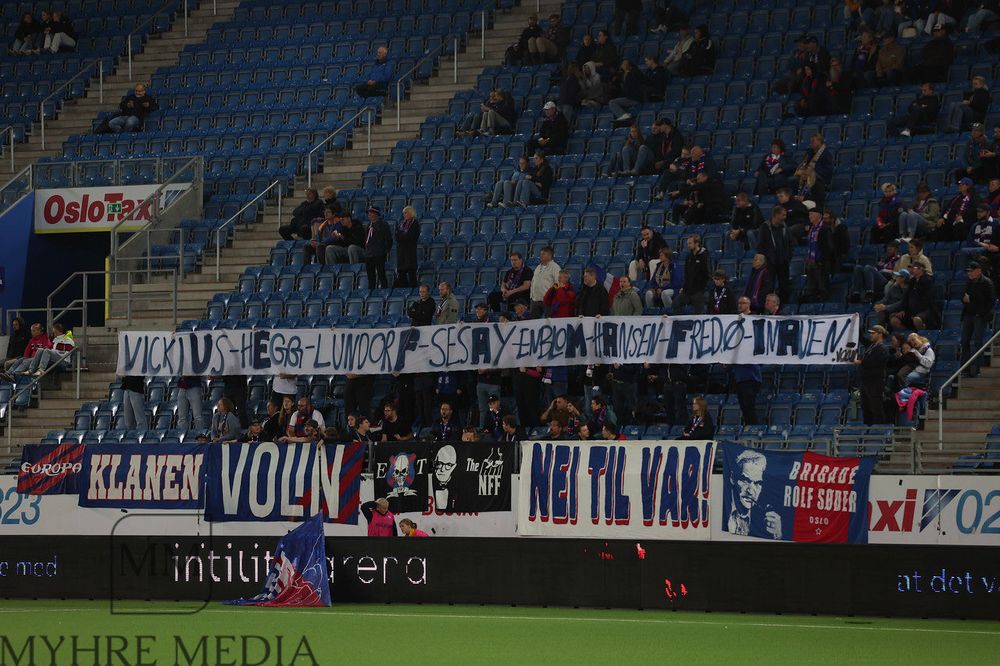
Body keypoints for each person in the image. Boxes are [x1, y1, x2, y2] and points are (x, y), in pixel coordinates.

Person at [726, 449, 781, 539]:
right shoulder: (722, 508)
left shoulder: (765, 518)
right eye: (745, 480)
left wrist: (778, 535)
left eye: (757, 483)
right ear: (732, 478)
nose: (750, 491)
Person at [960, 261, 996, 377]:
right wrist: (964, 300)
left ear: (978, 271)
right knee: (964, 341)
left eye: (971, 271)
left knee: (977, 342)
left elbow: (991, 302)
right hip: (968, 314)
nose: (969, 273)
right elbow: (964, 296)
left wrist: (979, 312)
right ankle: (965, 369)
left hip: (979, 316)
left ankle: (977, 369)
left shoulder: (987, 283)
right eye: (968, 271)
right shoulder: (969, 282)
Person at [855, 325, 890, 425]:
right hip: (866, 381)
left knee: (876, 407)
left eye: (873, 333)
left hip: (875, 382)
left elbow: (874, 362)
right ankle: (868, 429)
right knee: (865, 406)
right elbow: (862, 338)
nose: (870, 335)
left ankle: (879, 430)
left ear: (880, 334)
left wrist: (860, 362)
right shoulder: (872, 345)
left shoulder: (883, 348)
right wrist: (857, 323)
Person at [757, 207, 793, 302]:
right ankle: (767, 309)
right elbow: (760, 246)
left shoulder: (785, 227)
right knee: (768, 288)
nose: (785, 217)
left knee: (784, 287)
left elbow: (790, 243)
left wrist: (788, 257)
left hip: (783, 263)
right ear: (776, 215)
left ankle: (783, 308)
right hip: (770, 264)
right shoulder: (764, 227)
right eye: (783, 215)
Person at [891, 261, 938, 331]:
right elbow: (906, 298)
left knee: (917, 320)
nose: (912, 270)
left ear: (921, 269)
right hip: (912, 312)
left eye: (914, 268)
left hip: (926, 311)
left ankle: (921, 337)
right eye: (911, 268)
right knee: (894, 319)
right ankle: (908, 335)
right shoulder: (912, 281)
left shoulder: (927, 281)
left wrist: (916, 313)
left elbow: (928, 301)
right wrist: (903, 310)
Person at [673, 235, 710, 314]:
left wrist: (702, 289)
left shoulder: (704, 256)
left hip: (699, 290)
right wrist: (684, 287)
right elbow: (686, 274)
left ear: (696, 243)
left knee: (699, 310)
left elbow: (707, 274)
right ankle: (682, 322)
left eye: (690, 243)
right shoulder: (688, 257)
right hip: (688, 290)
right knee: (675, 304)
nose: (688, 245)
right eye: (688, 243)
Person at [362, 206, 392, 289]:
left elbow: (388, 239)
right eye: (369, 213)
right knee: (370, 276)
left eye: (371, 213)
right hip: (369, 254)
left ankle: (384, 290)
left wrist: (385, 250)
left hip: (379, 253)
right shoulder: (368, 226)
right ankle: (371, 291)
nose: (369, 215)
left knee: (381, 274)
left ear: (376, 214)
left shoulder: (383, 224)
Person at [529, 247, 561, 318]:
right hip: (535, 300)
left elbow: (558, 283)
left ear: (549, 255)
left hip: (548, 300)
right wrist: (531, 296)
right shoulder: (538, 267)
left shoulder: (555, 267)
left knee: (549, 320)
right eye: (541, 254)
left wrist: (552, 296)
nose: (541, 256)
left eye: (543, 254)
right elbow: (533, 282)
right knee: (533, 322)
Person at [394, 206, 420, 288]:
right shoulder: (402, 224)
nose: (404, 215)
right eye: (403, 213)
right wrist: (403, 236)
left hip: (410, 251)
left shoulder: (415, 224)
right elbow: (397, 235)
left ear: (411, 213)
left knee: (411, 273)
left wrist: (402, 237)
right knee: (402, 274)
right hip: (401, 252)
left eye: (406, 213)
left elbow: (411, 236)